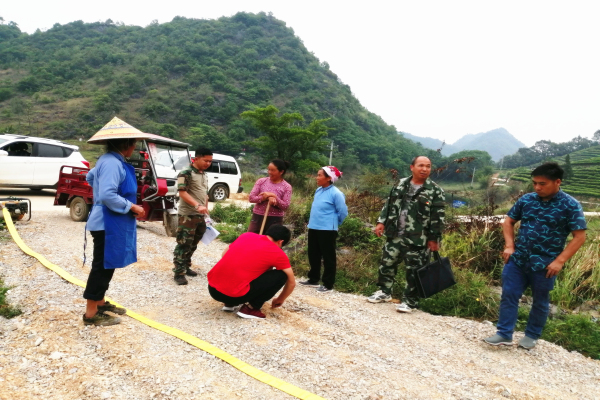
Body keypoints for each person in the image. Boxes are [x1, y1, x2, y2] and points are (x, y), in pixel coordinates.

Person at [484, 162, 586, 350]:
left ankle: (531, 335)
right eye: (535, 183)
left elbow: (579, 237)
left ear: (557, 182)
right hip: (519, 259)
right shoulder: (527, 200)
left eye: (542, 184)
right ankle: (504, 333)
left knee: (540, 301)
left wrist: (559, 261)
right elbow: (508, 221)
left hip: (546, 264)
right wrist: (509, 246)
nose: (537, 187)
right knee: (509, 294)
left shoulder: (570, 205)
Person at [368, 156, 445, 313]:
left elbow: (438, 218)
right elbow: (389, 204)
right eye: (421, 165)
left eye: (428, 166)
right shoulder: (401, 184)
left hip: (418, 238)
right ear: (412, 167)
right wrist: (381, 222)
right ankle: (384, 292)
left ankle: (410, 301)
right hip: (395, 233)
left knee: (414, 270)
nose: (424, 169)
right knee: (386, 264)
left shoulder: (435, 191)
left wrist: (434, 239)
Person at [83, 137, 146, 326]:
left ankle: (100, 303)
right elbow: (108, 194)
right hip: (106, 223)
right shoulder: (112, 163)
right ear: (125, 145)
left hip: (108, 221)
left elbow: (90, 177)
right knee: (102, 267)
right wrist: (132, 207)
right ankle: (91, 314)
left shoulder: (108, 159)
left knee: (107, 264)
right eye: (133, 144)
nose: (134, 148)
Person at [207, 225, 296, 319]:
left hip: (213, 289)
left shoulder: (246, 235)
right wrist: (280, 299)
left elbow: (224, 254)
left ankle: (229, 304)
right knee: (282, 275)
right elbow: (291, 282)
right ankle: (251, 308)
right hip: (233, 295)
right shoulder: (278, 253)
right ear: (281, 242)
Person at [300, 166, 348, 292]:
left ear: (328, 178)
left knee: (328, 257)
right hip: (314, 227)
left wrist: (334, 223)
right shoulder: (318, 191)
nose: (317, 177)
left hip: (327, 229)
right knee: (313, 254)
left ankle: (328, 283)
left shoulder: (336, 193)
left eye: (320, 175)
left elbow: (343, 212)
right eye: (317, 174)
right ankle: (313, 279)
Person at [172, 147, 213, 285]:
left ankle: (186, 266)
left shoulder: (203, 174)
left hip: (200, 215)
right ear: (196, 158)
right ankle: (178, 272)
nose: (208, 163)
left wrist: (206, 209)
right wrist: (197, 205)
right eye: (205, 160)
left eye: (210, 161)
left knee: (194, 243)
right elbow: (182, 192)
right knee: (184, 244)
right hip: (187, 215)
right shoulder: (186, 173)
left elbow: (204, 194)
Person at [248, 159, 292, 234]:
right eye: (269, 169)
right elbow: (251, 198)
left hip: (275, 220)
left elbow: (285, 206)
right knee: (251, 240)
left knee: (271, 243)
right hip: (258, 217)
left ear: (281, 172)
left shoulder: (287, 187)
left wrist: (275, 197)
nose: (269, 172)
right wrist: (265, 198)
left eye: (273, 170)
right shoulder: (261, 181)